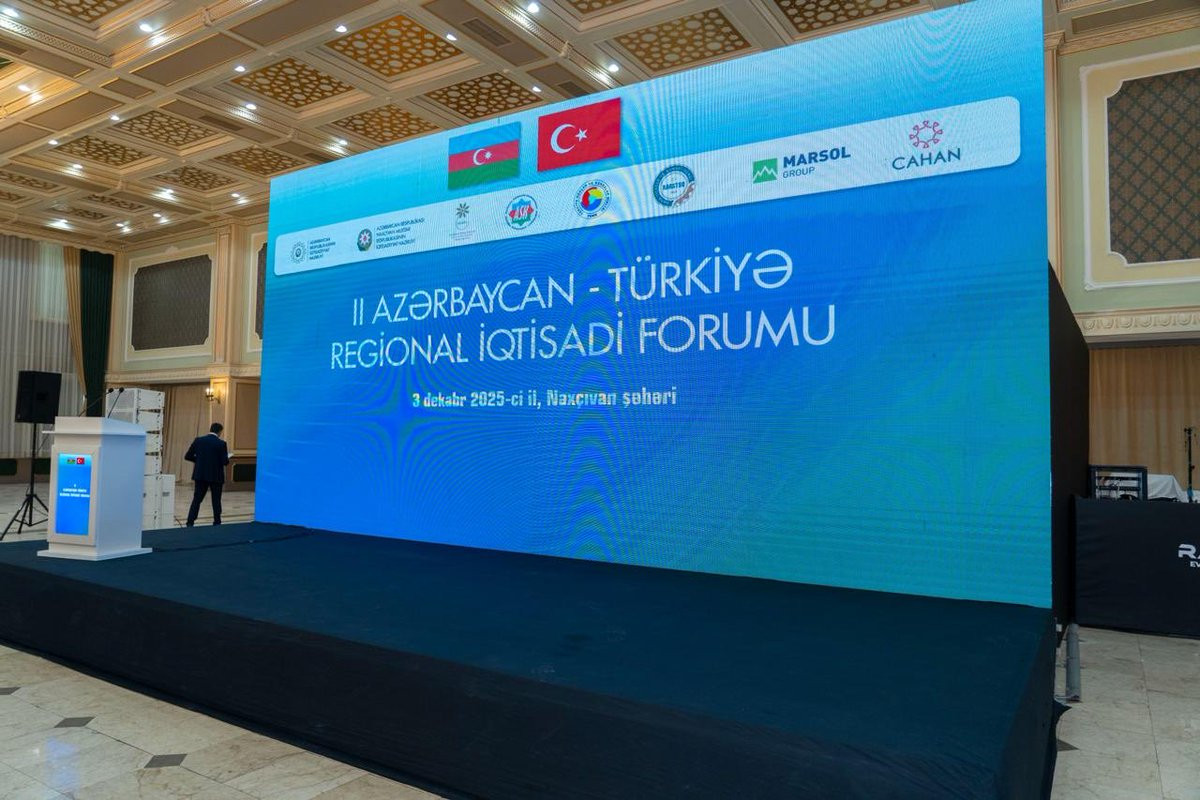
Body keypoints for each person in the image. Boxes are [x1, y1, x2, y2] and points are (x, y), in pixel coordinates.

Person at [185, 422, 230, 526]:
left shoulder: (198, 440)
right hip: (216, 476)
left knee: (197, 499)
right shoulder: (221, 444)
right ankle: (217, 522)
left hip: (200, 475)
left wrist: (199, 461)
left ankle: (190, 521)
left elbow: (188, 456)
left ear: (210, 429)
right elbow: (225, 462)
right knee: (216, 500)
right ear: (220, 432)